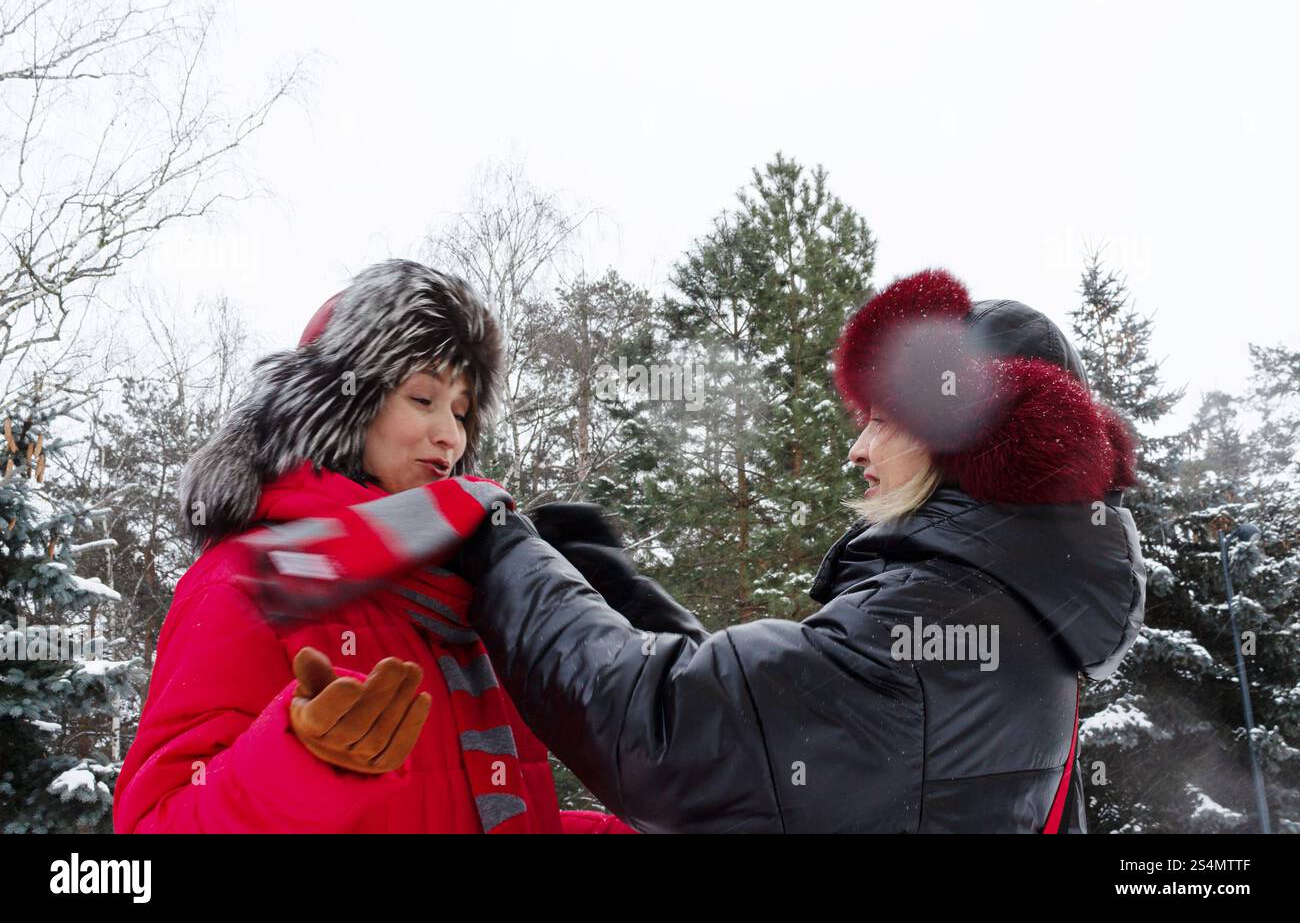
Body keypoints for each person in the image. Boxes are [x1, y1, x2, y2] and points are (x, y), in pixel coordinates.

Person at [454, 266, 1148, 833]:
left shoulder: (934, 630)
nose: (858, 448)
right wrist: (623, 599)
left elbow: (670, 739)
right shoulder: (1007, 621)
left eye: (881, 420)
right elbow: (769, 752)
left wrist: (501, 551)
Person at [113, 259, 631, 834]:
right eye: (422, 398)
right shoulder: (250, 580)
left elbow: (472, 806)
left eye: (461, 411)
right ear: (342, 409)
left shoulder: (463, 594)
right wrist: (303, 764)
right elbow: (159, 823)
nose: (450, 435)